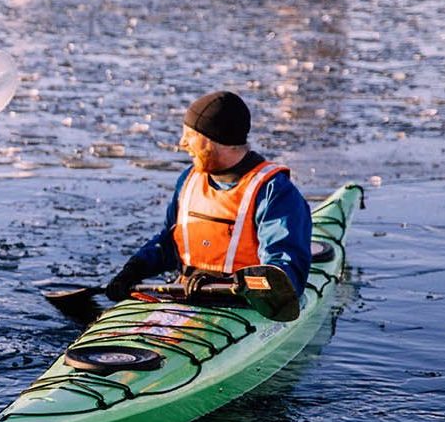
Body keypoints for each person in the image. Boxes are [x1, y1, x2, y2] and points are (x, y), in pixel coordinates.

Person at [105, 90, 312, 305]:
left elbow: (283, 276)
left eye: (190, 135)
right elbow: (170, 244)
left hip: (247, 307)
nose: (182, 143)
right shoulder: (189, 179)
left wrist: (228, 283)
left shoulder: (275, 193)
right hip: (187, 296)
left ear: (213, 140)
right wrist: (134, 269)